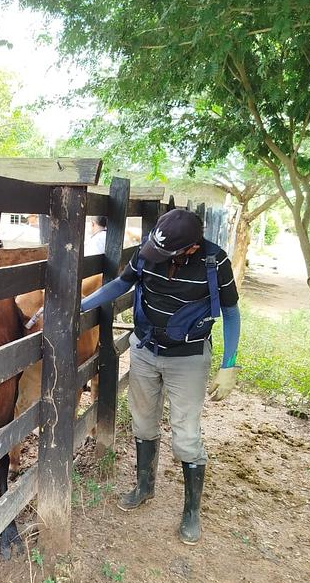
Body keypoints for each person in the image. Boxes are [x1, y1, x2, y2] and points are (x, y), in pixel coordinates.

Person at [81, 208, 240, 544]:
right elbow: (122, 283)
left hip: (189, 358)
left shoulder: (215, 262)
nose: (154, 256)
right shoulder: (150, 251)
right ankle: (144, 485)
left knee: (185, 436)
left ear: (191, 248)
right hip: (146, 351)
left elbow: (231, 313)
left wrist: (230, 364)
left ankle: (191, 511)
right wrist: (81, 305)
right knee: (143, 422)